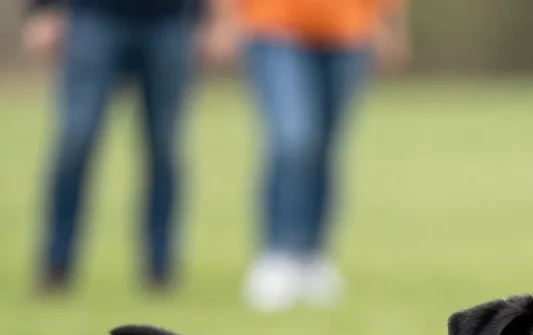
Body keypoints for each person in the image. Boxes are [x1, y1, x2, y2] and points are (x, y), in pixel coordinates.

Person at [203, 0, 410, 311]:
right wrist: (223, 18)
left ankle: (313, 256)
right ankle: (277, 253)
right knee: (292, 140)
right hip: (273, 26)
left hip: (349, 31)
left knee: (326, 146)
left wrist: (392, 26)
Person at [24, 0, 201, 294]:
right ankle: (56, 263)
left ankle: (161, 268)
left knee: (164, 148)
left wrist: (206, 18)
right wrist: (43, 9)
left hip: (170, 19)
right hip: (94, 16)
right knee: (76, 140)